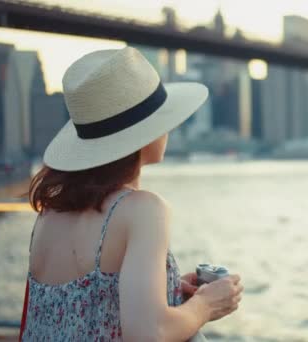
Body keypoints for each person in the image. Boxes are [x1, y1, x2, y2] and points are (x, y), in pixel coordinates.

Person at [21, 47, 243, 341]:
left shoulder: (48, 214)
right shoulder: (143, 210)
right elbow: (149, 333)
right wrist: (206, 305)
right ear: (144, 133)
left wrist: (170, 288)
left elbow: (87, 309)